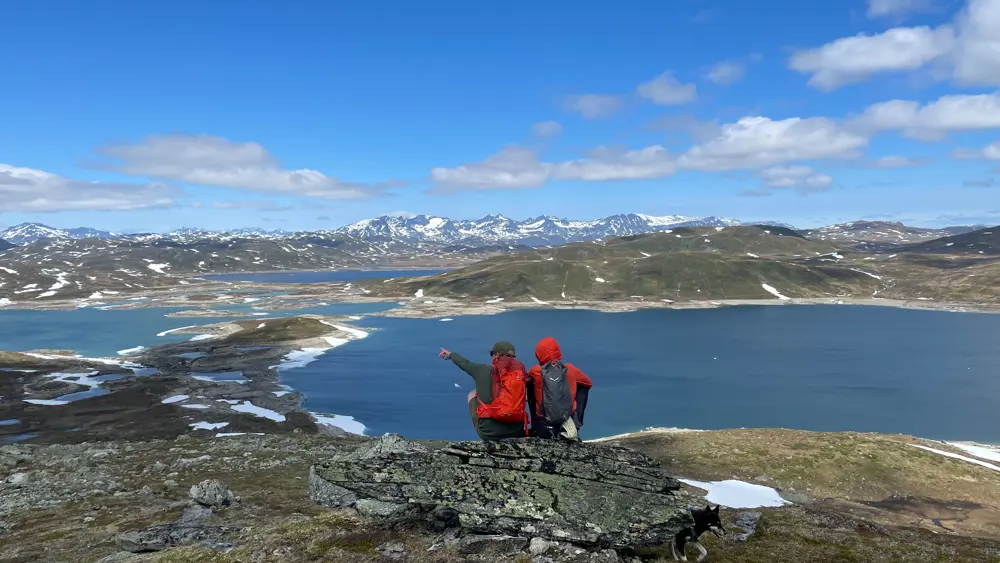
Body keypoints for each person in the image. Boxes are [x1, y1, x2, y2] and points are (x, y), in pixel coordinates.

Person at [439, 341, 528, 441]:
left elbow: (465, 364)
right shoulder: (520, 374)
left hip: (488, 433)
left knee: (472, 394)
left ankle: (481, 428)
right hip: (515, 431)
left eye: (491, 354)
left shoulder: (483, 370)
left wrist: (451, 355)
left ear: (496, 355)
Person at [527, 337, 593, 440]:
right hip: (566, 425)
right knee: (583, 386)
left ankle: (535, 426)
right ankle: (577, 422)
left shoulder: (535, 371)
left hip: (544, 429)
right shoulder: (570, 369)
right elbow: (588, 383)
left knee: (530, 386)